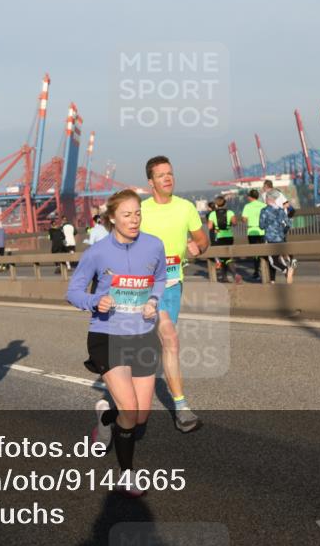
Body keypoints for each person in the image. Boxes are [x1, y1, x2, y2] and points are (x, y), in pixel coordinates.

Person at [66, 189, 166, 498]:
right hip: (107, 334)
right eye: (127, 214)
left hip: (142, 334)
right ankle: (127, 475)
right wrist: (97, 300)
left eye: (137, 213)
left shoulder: (153, 245)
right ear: (112, 218)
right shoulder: (96, 252)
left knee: (141, 416)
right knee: (131, 408)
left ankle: (105, 418)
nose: (134, 219)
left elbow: (160, 278)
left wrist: (153, 300)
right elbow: (74, 291)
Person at [140, 156, 209, 433]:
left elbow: (202, 238)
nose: (167, 178)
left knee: (164, 344)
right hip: (144, 287)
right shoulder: (140, 211)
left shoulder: (186, 207)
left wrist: (198, 246)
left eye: (170, 173)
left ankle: (122, 396)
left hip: (173, 284)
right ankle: (181, 408)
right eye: (161, 175)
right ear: (151, 182)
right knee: (170, 338)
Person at [260, 191, 296, 283]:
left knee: (273, 261)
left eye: (265, 198)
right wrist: (282, 232)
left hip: (270, 239)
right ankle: (292, 263)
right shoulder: (280, 210)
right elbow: (288, 223)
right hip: (280, 238)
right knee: (279, 256)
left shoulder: (264, 211)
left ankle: (286, 270)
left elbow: (261, 226)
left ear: (268, 199)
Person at [207, 195, 239, 283]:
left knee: (222, 257)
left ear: (216, 204)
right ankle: (226, 277)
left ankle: (233, 274)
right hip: (229, 236)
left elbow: (209, 227)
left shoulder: (212, 214)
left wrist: (216, 228)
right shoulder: (230, 212)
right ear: (225, 203)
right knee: (227, 256)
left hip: (219, 236)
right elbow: (235, 223)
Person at [240, 189, 266, 280]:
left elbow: (244, 220)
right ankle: (266, 270)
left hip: (252, 231)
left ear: (250, 197)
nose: (247, 198)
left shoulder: (247, 206)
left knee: (255, 253)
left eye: (248, 196)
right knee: (264, 251)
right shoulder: (263, 205)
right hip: (262, 231)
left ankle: (256, 272)